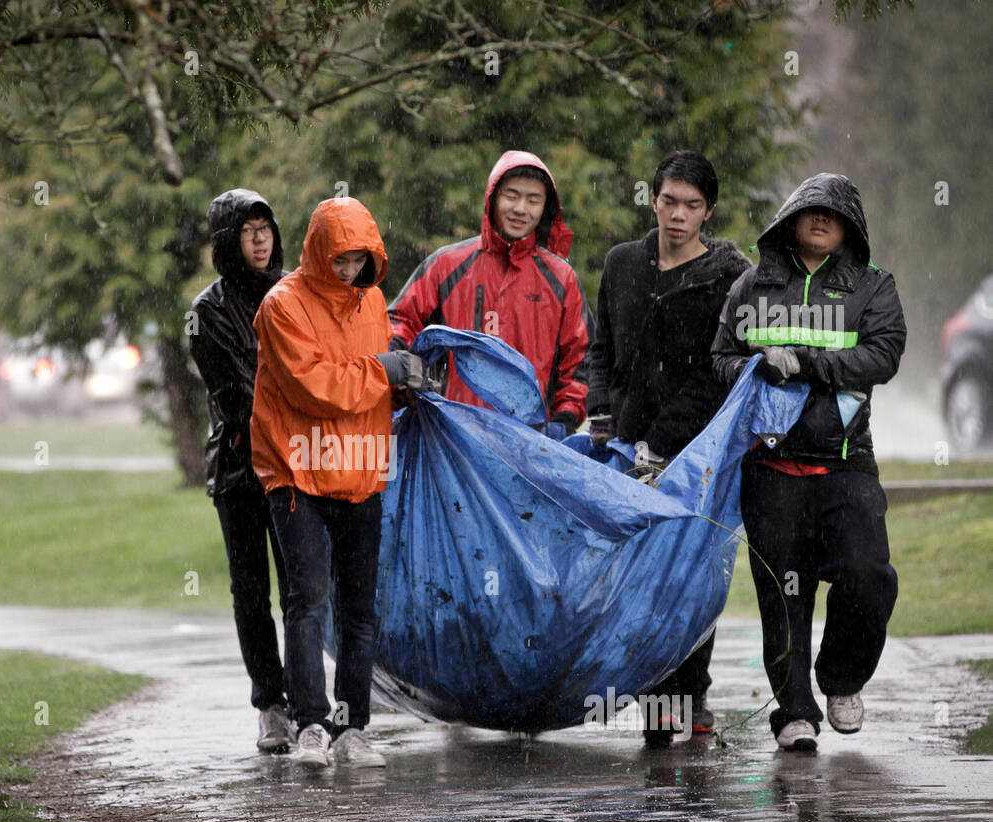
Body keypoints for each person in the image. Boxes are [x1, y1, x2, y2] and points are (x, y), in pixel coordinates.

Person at [712, 173, 906, 752]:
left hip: (846, 466)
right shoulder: (752, 286)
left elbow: (883, 355)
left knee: (869, 575)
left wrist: (802, 362)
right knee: (782, 594)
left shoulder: (874, 287)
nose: (820, 220)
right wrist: (755, 370)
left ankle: (842, 679)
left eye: (832, 213)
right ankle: (794, 712)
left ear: (849, 227)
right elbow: (721, 357)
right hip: (770, 469)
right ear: (789, 221)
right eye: (809, 211)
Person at [251, 196, 426, 769]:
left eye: (359, 259)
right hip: (296, 468)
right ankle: (309, 725)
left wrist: (406, 382)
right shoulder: (282, 305)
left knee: (359, 607)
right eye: (340, 258)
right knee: (306, 601)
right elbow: (313, 386)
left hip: (359, 468)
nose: (349, 270)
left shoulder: (373, 300)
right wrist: (384, 373)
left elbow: (370, 381)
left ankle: (353, 729)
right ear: (319, 250)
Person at [583, 151, 751, 746]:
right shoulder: (622, 264)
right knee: (639, 579)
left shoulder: (729, 277)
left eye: (692, 205)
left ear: (709, 210)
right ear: (652, 200)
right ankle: (656, 707)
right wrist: (600, 409)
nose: (678, 215)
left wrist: (666, 439)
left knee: (693, 572)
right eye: (669, 201)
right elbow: (600, 347)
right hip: (625, 448)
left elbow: (718, 370)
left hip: (697, 451)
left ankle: (693, 696)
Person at [189, 189, 293, 754]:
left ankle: (309, 702)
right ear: (229, 240)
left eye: (266, 228)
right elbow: (239, 394)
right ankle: (271, 704)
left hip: (295, 463)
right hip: (239, 467)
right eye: (248, 230)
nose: (260, 239)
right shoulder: (207, 312)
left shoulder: (293, 292)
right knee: (252, 591)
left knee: (301, 589)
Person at [388, 150, 592, 434]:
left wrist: (562, 423)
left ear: (545, 208)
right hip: (451, 435)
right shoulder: (447, 265)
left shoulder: (561, 278)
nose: (521, 208)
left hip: (530, 441)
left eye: (533, 200)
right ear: (492, 198)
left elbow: (581, 361)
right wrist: (401, 371)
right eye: (512, 195)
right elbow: (399, 322)